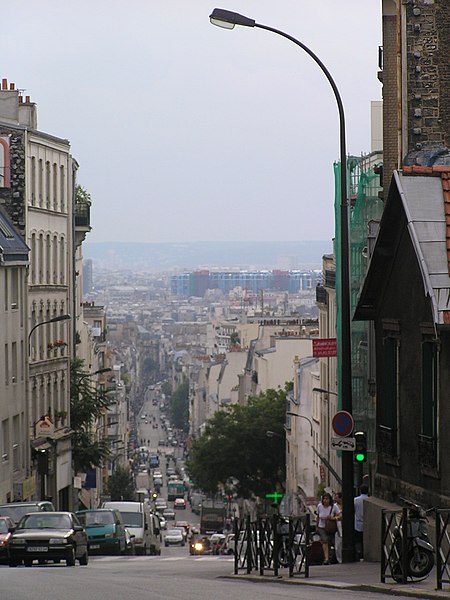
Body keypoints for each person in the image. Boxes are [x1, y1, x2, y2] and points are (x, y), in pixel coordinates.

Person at [316, 492, 334, 565]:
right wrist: (316, 526)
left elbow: (339, 514)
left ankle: (328, 557)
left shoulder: (333, 507)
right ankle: (326, 558)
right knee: (325, 540)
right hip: (322, 526)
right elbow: (318, 516)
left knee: (329, 542)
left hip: (330, 527)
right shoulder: (319, 506)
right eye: (324, 499)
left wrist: (332, 518)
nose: (325, 500)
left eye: (327, 499)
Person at [354, 484, 369, 560]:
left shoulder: (356, 500)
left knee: (358, 539)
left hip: (357, 522)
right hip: (366, 523)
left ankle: (359, 553)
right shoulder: (369, 499)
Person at [331, 492, 343, 564]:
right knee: (338, 543)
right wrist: (336, 518)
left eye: (337, 497)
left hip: (345, 525)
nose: (335, 499)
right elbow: (332, 515)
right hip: (338, 525)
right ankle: (339, 558)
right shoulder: (334, 506)